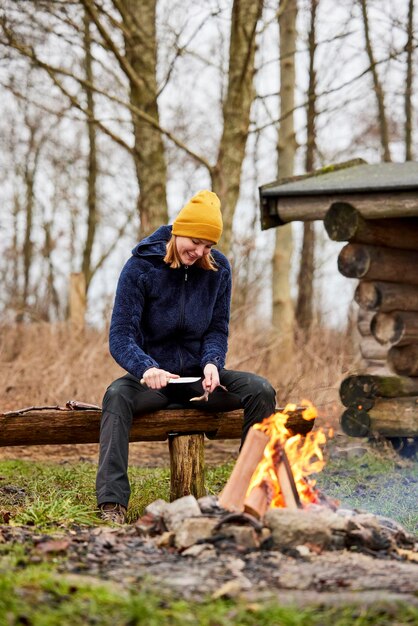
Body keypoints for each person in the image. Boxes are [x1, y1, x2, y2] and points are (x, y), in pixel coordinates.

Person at [97, 190, 276, 523]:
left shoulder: (218, 270)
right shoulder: (140, 267)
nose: (200, 252)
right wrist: (146, 368)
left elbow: (217, 330)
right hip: (154, 382)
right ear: (178, 230)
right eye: (194, 242)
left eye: (209, 246)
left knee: (261, 390)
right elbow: (120, 337)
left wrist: (212, 363)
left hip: (199, 383)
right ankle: (112, 504)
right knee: (116, 395)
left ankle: (248, 493)